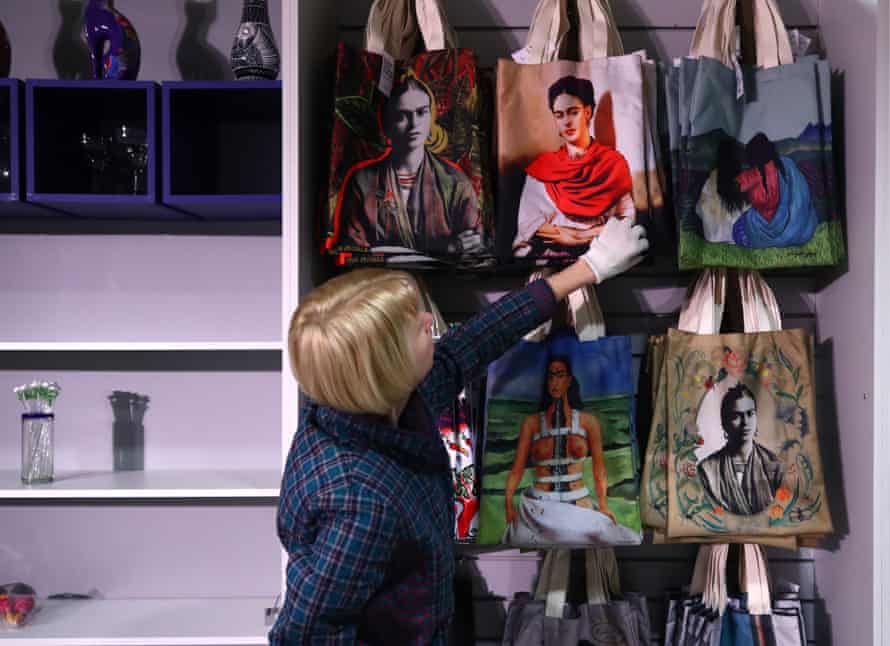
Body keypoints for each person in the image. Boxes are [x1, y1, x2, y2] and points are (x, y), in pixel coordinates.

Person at [270, 215, 648, 644]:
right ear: (387, 365)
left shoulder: (373, 401)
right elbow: (306, 633)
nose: (430, 323)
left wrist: (588, 269)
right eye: (415, 327)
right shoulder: (359, 502)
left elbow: (470, 344)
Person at [337, 73, 484, 256]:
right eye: (402, 116)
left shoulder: (456, 183)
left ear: (431, 117)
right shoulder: (362, 182)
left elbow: (474, 244)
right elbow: (352, 249)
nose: (414, 124)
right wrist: (448, 248)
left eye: (421, 112)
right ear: (388, 123)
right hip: (379, 281)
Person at [501, 356, 640, 547]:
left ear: (569, 380)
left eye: (559, 376)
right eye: (550, 377)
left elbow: (599, 469)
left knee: (625, 537)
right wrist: (508, 505)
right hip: (539, 508)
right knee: (519, 540)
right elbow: (517, 469)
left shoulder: (588, 422)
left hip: (578, 503)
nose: (554, 382)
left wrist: (604, 505)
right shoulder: (532, 423)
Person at [513, 75, 635, 258]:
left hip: (602, 260)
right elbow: (528, 224)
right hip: (550, 262)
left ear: (587, 112)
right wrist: (589, 233)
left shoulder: (612, 164)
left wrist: (579, 235)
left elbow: (626, 220)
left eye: (573, 112)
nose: (566, 122)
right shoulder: (543, 169)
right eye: (559, 115)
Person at [697, 383, 784, 516]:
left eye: (750, 414)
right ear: (725, 422)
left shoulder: (774, 466)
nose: (745, 422)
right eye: (736, 416)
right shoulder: (708, 469)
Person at [731, 132, 818, 249]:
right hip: (797, 228)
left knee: (739, 228)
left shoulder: (754, 174)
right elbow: (802, 196)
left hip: (761, 227)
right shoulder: (787, 164)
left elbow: (735, 187)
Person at [695, 139, 750, 243]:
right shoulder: (743, 177)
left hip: (713, 234)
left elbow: (699, 209)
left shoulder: (713, 176)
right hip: (738, 234)